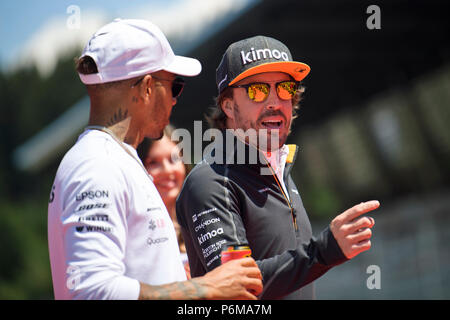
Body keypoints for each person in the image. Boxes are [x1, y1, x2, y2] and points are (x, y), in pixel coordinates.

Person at [47, 19, 262, 300]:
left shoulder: (114, 159)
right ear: (148, 87)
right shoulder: (97, 165)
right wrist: (207, 287)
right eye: (175, 86)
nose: (175, 99)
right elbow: (92, 291)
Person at [176, 35, 380, 300]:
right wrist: (324, 251)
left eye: (285, 89)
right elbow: (237, 286)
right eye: (257, 90)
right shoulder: (211, 181)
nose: (274, 102)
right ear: (228, 105)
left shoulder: (278, 170)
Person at [137, 125, 191, 278]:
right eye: (153, 163)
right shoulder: (133, 230)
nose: (167, 170)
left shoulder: (201, 217)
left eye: (173, 159)